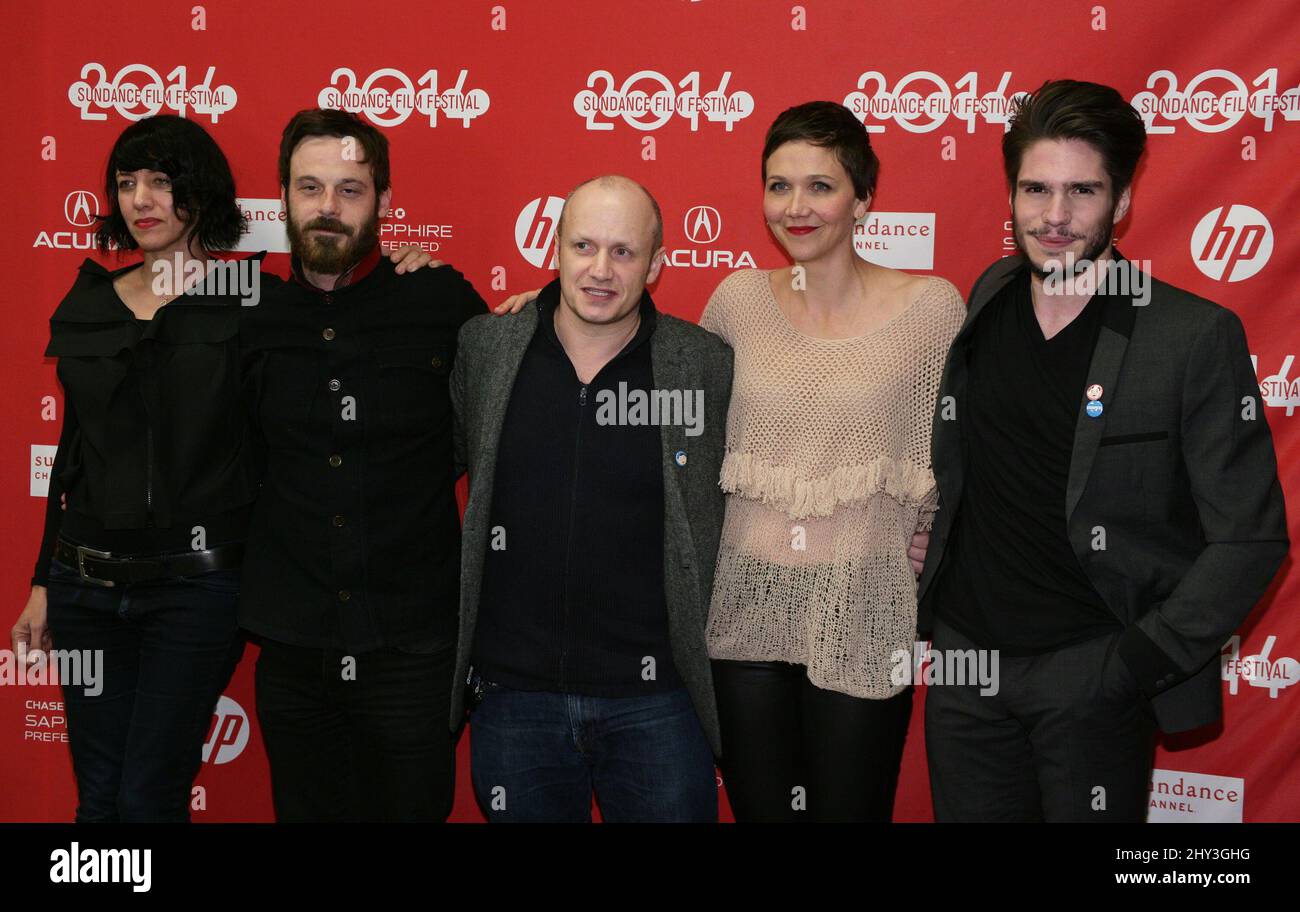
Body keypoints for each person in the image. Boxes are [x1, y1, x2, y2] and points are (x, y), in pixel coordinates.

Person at [10, 115, 433, 823]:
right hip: (85, 590)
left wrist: (410, 266)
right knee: (99, 797)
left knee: (149, 795)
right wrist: (42, 581)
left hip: (195, 591)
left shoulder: (253, 302)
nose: (141, 199)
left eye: (161, 182)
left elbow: (347, 315)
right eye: (126, 183)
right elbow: (74, 451)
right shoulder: (88, 305)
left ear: (200, 196)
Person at [917, 79, 1288, 822]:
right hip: (967, 667)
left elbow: (1250, 536)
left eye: (1081, 192)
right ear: (1013, 195)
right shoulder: (988, 297)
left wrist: (1135, 666)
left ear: (1120, 202)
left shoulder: (1189, 337)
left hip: (1093, 675)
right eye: (1036, 189)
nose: (1054, 218)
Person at [698, 102, 964, 822]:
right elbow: (675, 413)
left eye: (820, 186)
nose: (797, 206)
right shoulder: (736, 302)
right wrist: (553, 308)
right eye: (779, 186)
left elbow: (959, 448)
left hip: (865, 604)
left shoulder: (931, 309)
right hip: (743, 609)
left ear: (863, 199)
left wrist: (932, 537)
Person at [450, 175, 733, 822]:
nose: (600, 269)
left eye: (624, 252)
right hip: (513, 698)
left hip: (658, 701)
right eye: (583, 246)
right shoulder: (487, 349)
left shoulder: (703, 366)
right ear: (554, 249)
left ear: (657, 265)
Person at [238, 108, 487, 822]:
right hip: (294, 642)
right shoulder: (251, 316)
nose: (327, 208)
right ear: (283, 197)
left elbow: (498, 416)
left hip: (411, 643)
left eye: (350, 189)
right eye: (309, 187)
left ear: (382, 200)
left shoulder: (440, 301)